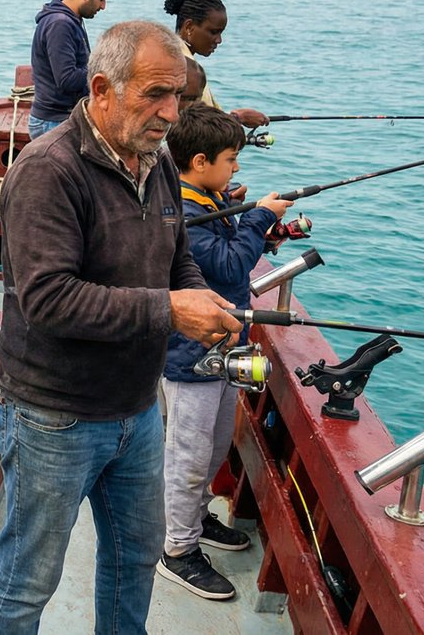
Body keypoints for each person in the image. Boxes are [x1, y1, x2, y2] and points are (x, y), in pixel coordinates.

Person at [0, 20, 244, 634]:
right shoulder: (48, 171)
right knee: (29, 580)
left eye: (177, 95)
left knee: (135, 558)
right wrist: (171, 312)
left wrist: (199, 298)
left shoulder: (153, 159)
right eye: (155, 94)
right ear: (102, 88)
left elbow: (177, 254)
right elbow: (48, 299)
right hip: (55, 416)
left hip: (136, 407)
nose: (171, 112)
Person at [157, 104, 291, 601]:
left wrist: (252, 222)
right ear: (197, 161)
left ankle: (193, 520)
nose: (237, 167)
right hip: (189, 358)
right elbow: (231, 266)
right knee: (189, 456)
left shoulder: (206, 197)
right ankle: (177, 550)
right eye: (231, 158)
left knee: (213, 449)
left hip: (219, 350)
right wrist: (257, 219)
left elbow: (229, 251)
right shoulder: (187, 215)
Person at [27, 0, 117, 139]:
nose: (103, 6)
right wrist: (103, 71)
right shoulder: (60, 24)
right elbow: (66, 79)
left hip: (61, 118)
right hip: (53, 122)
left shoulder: (71, 20)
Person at [163, 0, 268, 128]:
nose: (219, 40)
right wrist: (236, 118)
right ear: (189, 27)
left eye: (221, 33)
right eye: (213, 32)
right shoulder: (181, 67)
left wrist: (236, 118)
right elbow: (187, 125)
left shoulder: (172, 55)